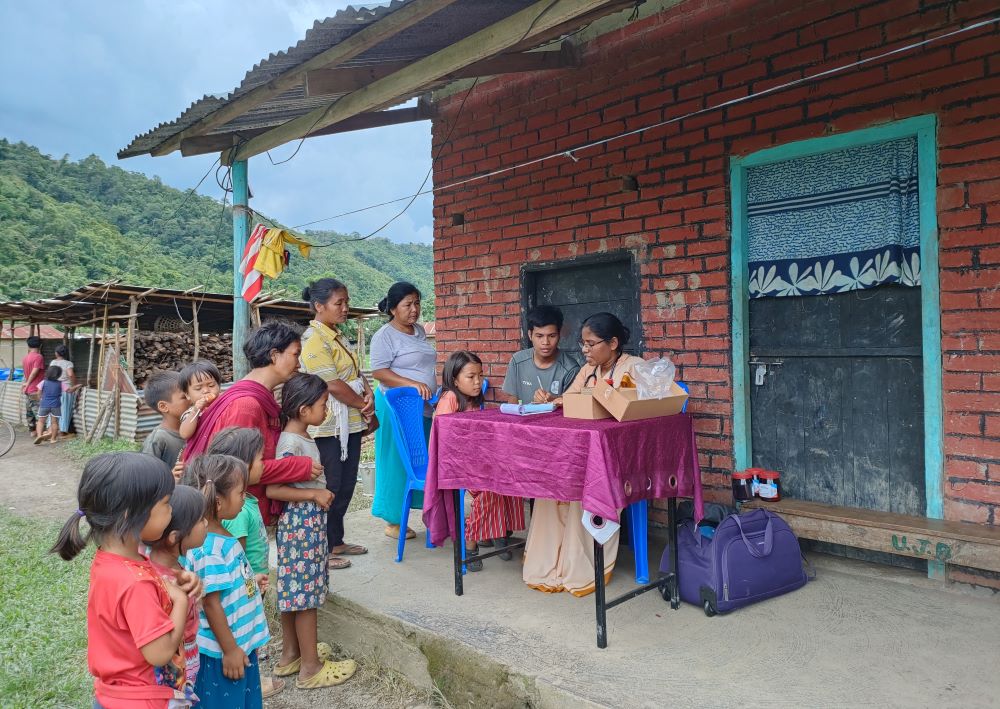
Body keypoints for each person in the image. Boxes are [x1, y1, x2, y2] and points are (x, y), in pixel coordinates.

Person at [51, 452, 201, 709]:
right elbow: (160, 653)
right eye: (166, 504)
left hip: (117, 696)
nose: (172, 510)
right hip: (141, 700)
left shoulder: (113, 561)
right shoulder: (135, 583)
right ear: (129, 515)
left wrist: (174, 581)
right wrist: (179, 600)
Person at [526, 313, 645, 597]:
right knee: (550, 488)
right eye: (583, 344)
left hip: (617, 460)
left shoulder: (635, 368)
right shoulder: (587, 371)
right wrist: (551, 400)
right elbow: (569, 400)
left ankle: (579, 569)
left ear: (613, 343)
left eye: (591, 344)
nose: (585, 350)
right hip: (584, 453)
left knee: (584, 489)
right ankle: (548, 566)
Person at [182, 322, 321, 527]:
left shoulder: (258, 397)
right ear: (274, 355)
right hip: (238, 518)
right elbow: (236, 470)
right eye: (295, 354)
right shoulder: (246, 406)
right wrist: (297, 466)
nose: (299, 364)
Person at [269, 372, 357, 689]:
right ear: (304, 410)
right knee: (305, 595)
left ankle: (291, 654)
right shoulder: (290, 443)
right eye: (323, 404)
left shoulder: (301, 436)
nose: (328, 411)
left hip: (306, 525)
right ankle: (310, 667)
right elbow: (274, 489)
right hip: (301, 525)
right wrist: (314, 494)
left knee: (294, 591)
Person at [299, 278, 376, 569]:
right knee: (330, 484)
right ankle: (322, 548)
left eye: (347, 302)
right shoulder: (313, 340)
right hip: (328, 424)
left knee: (345, 484)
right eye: (338, 303)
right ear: (319, 306)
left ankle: (337, 539)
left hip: (351, 422)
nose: (345, 308)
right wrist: (364, 405)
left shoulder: (337, 335)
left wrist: (368, 399)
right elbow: (331, 384)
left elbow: (355, 373)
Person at [184, 454, 270, 708]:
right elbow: (211, 605)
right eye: (241, 492)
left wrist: (249, 582)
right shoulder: (210, 549)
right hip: (223, 652)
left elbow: (221, 588)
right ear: (219, 502)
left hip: (239, 645)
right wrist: (230, 650)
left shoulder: (221, 537)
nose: (245, 497)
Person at [435, 351, 524, 572]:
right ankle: (471, 542)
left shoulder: (473, 399)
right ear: (455, 379)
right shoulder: (450, 399)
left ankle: (500, 531)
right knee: (490, 489)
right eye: (471, 377)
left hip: (475, 460)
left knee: (510, 477)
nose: (478, 382)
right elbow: (445, 441)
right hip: (454, 464)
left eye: (480, 375)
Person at [369, 282, 437, 540]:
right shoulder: (384, 336)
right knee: (396, 459)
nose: (414, 309)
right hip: (395, 407)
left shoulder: (419, 331)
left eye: (417, 303)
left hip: (421, 407)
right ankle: (393, 521)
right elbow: (379, 372)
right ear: (393, 308)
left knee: (420, 456)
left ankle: (420, 510)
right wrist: (413, 384)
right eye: (408, 304)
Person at [146, 485, 209, 701]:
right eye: (201, 520)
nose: (206, 523)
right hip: (173, 669)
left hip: (185, 660)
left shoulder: (172, 569)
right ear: (175, 537)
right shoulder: (161, 584)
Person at [502, 306, 582, 406]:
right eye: (539, 336)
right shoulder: (517, 361)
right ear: (530, 335)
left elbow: (573, 406)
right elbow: (512, 401)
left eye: (552, 336)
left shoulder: (571, 369)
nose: (545, 342)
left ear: (559, 335)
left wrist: (552, 401)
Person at [141, 372, 189, 476]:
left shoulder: (195, 426)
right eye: (184, 397)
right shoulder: (158, 439)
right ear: (163, 406)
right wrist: (169, 478)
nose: (191, 399)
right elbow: (147, 476)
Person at [178, 360, 223, 441]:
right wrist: (196, 411)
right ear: (187, 395)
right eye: (198, 388)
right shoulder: (191, 413)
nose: (206, 390)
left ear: (219, 386)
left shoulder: (225, 402)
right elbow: (185, 434)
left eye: (211, 385)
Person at [51, 343, 80, 436]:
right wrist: (74, 385)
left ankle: (52, 430)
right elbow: (71, 374)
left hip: (54, 389)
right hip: (66, 390)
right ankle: (63, 431)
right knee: (64, 410)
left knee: (54, 410)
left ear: (56, 353)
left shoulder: (53, 362)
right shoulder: (68, 363)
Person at [34, 365, 64, 444]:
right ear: (58, 375)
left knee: (41, 421)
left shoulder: (43, 382)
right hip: (56, 405)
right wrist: (76, 386)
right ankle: (53, 439)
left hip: (44, 404)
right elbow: (69, 390)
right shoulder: (61, 383)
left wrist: (40, 399)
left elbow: (38, 393)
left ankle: (39, 436)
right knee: (54, 422)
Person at [21, 335, 44, 432]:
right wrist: (27, 383)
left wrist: (26, 384)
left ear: (28, 346)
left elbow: (25, 373)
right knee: (39, 412)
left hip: (28, 389)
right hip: (35, 389)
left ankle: (33, 431)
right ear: (40, 345)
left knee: (29, 411)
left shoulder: (25, 358)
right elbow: (34, 372)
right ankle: (40, 433)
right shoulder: (39, 357)